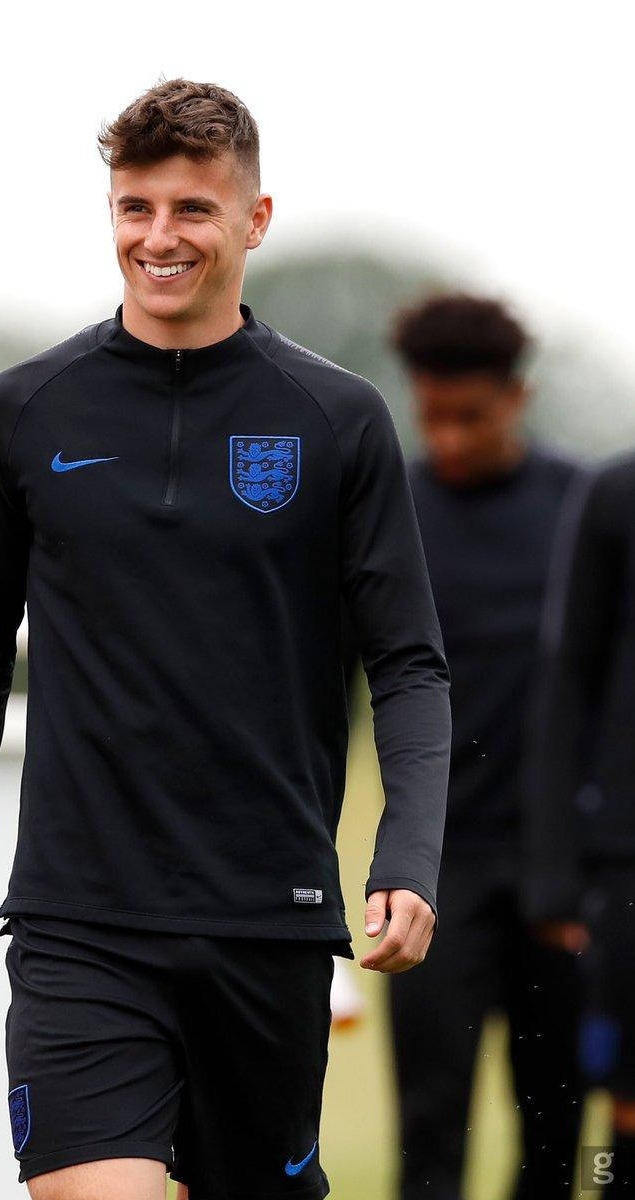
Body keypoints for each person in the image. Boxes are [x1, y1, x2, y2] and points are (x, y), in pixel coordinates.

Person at [0, 77, 451, 1200]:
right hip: (77, 922)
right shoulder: (25, 410)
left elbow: (403, 662)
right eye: (133, 207)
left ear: (252, 220)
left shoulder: (335, 420)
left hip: (270, 919)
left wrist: (402, 858)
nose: (157, 238)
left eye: (191, 210)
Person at [385, 292, 587, 1199]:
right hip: (435, 870)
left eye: (471, 417)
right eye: (433, 417)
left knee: (558, 1126)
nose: (451, 440)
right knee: (431, 1128)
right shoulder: (391, 515)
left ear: (518, 396)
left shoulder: (585, 514)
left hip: (564, 869)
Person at [522, 449, 635, 1195]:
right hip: (628, 860)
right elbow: (569, 682)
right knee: (624, 1110)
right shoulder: (617, 494)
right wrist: (557, 872)